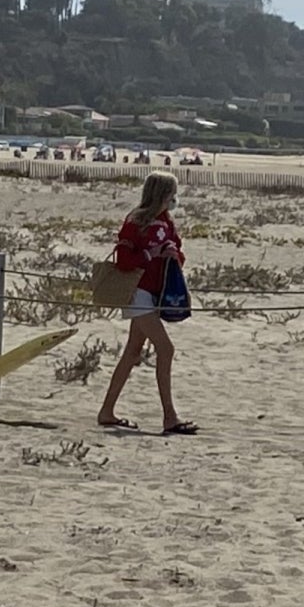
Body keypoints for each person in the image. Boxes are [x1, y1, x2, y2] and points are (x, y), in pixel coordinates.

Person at [97, 172, 198, 435]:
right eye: (171, 193)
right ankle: (169, 416)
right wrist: (150, 253)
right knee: (166, 349)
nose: (174, 198)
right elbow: (123, 260)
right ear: (163, 193)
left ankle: (107, 411)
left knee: (132, 352)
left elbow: (176, 252)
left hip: (156, 291)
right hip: (138, 290)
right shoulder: (137, 220)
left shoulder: (167, 221)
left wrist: (174, 255)